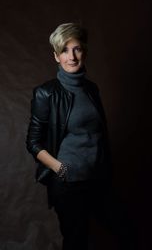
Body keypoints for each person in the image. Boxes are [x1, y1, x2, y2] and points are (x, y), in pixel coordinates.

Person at [26, 22, 112, 250]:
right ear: (56, 56)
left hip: (97, 180)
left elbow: (98, 134)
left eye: (77, 49)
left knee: (116, 232)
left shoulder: (92, 89)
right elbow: (33, 143)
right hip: (68, 184)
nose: (71, 57)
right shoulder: (46, 93)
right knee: (76, 241)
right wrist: (60, 168)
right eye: (64, 50)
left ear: (84, 51)